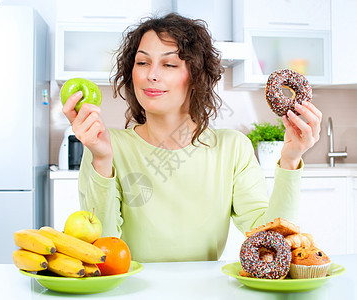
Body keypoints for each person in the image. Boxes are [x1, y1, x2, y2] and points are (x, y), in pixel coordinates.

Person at [62, 13, 322, 262]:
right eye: (142, 62)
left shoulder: (232, 148)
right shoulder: (108, 146)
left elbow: (271, 242)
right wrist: (102, 158)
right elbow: (102, 248)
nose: (152, 74)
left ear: (196, 77)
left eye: (169, 64)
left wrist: (290, 160)